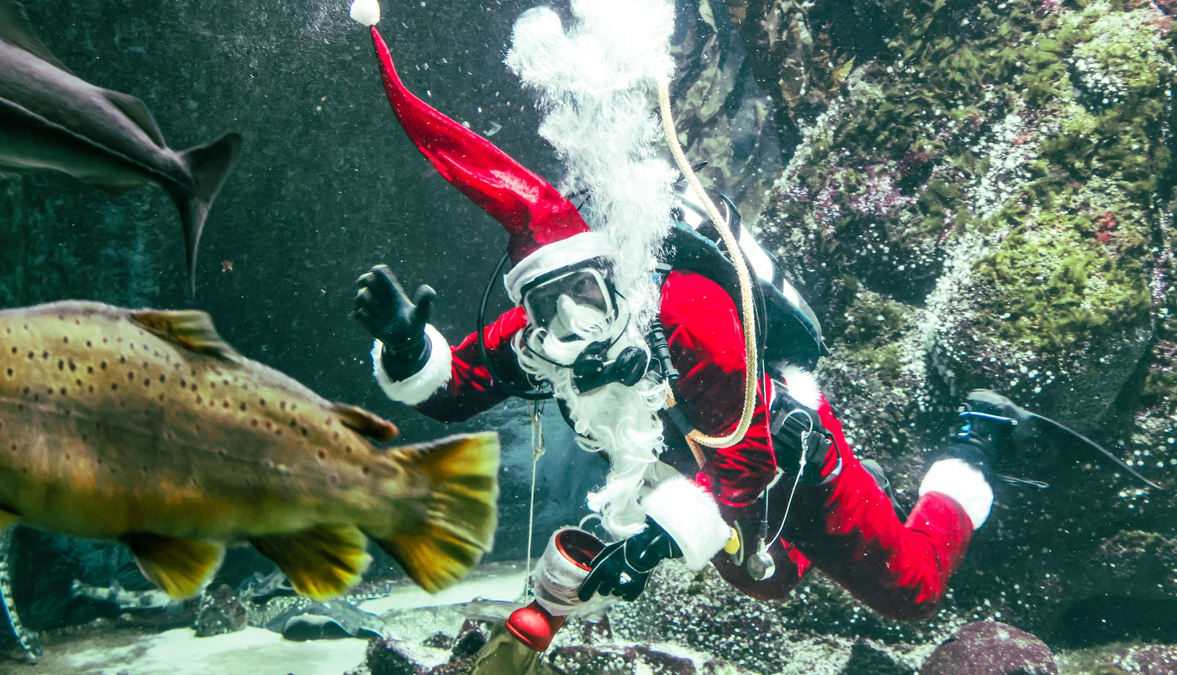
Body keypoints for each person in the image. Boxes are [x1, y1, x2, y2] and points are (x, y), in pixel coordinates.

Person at [351, 23, 1021, 649]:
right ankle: (852, 499)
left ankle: (975, 442)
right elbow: (457, 389)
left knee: (911, 591)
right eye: (548, 302)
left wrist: (653, 545)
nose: (571, 319)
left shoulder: (688, 318)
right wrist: (409, 350)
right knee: (768, 579)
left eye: (583, 291)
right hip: (696, 463)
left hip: (780, 450)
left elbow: (746, 471)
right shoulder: (538, 338)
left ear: (612, 274)